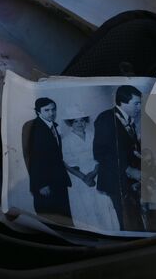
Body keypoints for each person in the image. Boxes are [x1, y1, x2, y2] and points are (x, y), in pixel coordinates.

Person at [59, 106, 120, 232]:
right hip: (79, 179)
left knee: (102, 205)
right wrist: (85, 178)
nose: (80, 124)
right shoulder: (66, 140)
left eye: (82, 120)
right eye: (76, 121)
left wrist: (93, 174)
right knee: (86, 207)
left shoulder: (93, 135)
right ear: (71, 123)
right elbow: (67, 163)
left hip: (97, 174)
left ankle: (109, 232)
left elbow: (102, 156)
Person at [94, 85, 145, 231]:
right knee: (128, 222)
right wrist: (128, 169)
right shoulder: (106, 118)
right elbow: (100, 153)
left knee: (135, 219)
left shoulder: (128, 119)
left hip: (130, 181)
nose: (140, 107)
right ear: (122, 103)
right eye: (136, 103)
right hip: (116, 181)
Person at [22, 98, 71, 218]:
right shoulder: (31, 127)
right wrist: (41, 184)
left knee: (64, 216)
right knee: (49, 216)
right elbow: (31, 157)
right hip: (44, 184)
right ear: (38, 112)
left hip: (59, 180)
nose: (51, 113)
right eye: (47, 110)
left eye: (53, 109)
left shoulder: (55, 125)